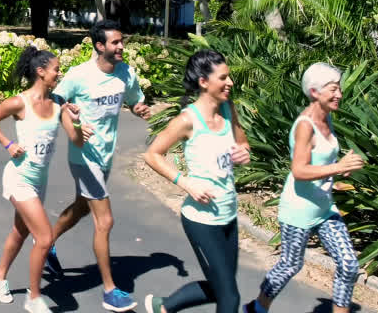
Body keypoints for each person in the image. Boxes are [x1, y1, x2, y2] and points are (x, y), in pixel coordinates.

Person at [46, 19, 151, 312]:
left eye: (121, 41)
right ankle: (110, 291)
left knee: (82, 207)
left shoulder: (125, 73)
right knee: (104, 221)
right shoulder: (80, 75)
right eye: (115, 42)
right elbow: (53, 100)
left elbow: (134, 101)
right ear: (99, 46)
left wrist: (139, 108)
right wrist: (67, 112)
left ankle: (45, 242)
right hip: (83, 156)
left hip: (105, 155)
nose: (121, 47)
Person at [245, 63, 363, 313]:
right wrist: (337, 167)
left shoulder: (326, 116)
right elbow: (299, 171)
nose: (339, 94)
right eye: (333, 89)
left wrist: (342, 167)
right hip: (299, 210)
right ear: (314, 92)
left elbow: (323, 159)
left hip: (324, 208)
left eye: (339, 88)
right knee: (290, 265)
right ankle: (256, 308)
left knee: (349, 265)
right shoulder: (305, 126)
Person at [141, 49, 251, 313]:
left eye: (229, 77)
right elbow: (152, 155)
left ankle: (163, 307)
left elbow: (243, 142)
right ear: (204, 82)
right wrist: (187, 183)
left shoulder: (228, 109)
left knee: (220, 287)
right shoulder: (187, 120)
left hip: (228, 215)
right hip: (201, 221)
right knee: (230, 298)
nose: (230, 82)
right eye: (223, 78)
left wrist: (243, 153)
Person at [0, 45, 86, 313]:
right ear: (40, 72)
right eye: (56, 70)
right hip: (18, 178)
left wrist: (76, 121)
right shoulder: (20, 102)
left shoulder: (58, 103)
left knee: (20, 232)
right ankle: (34, 297)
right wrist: (8, 144)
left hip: (40, 181)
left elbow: (76, 140)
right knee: (45, 238)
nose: (59, 74)